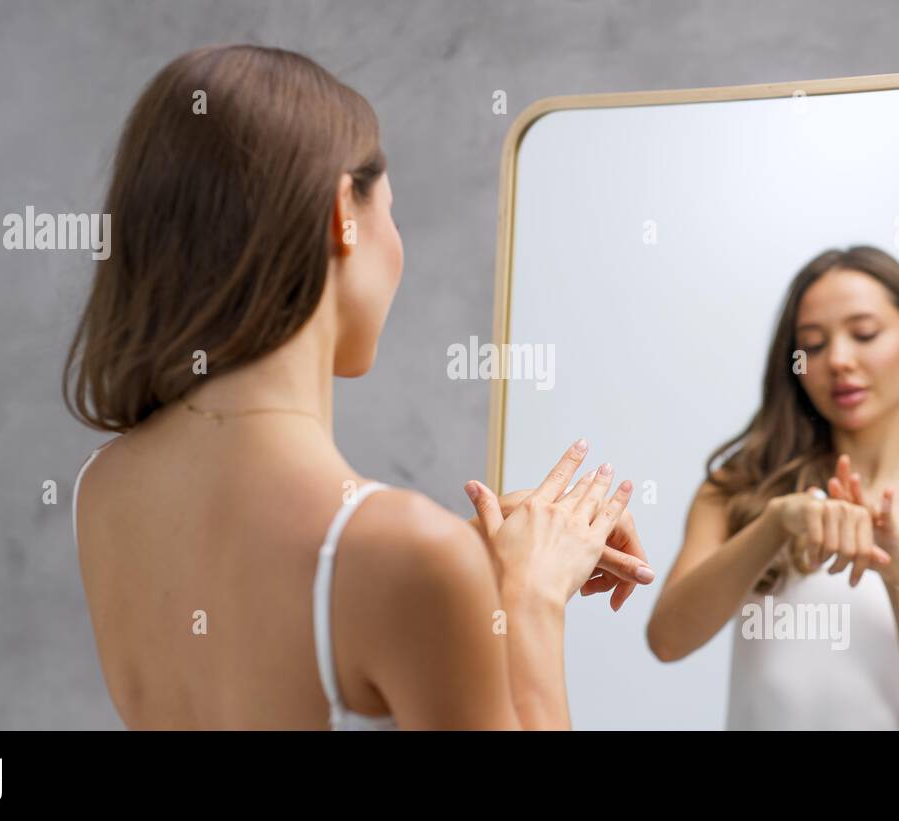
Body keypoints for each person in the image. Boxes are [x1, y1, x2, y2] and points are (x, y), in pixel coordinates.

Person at [65, 45, 654, 730]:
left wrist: (467, 559)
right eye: (392, 211)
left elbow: (279, 607)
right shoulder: (407, 555)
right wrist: (527, 598)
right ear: (343, 211)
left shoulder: (101, 489)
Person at [647, 246, 899, 730]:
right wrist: (774, 526)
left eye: (864, 333)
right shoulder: (739, 489)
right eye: (815, 345)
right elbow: (667, 640)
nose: (839, 361)